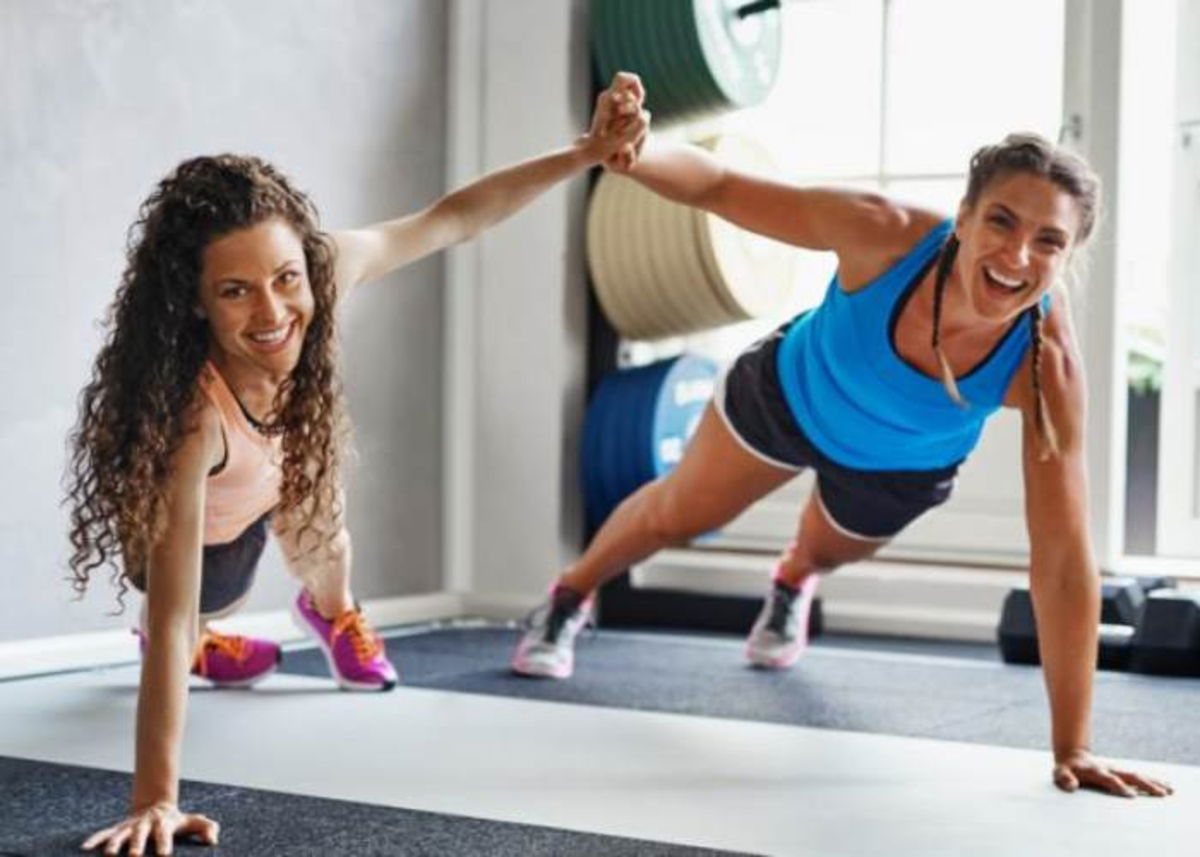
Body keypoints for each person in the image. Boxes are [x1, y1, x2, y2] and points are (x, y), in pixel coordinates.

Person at [512, 76, 1173, 800]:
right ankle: (569, 595)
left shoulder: (1048, 367)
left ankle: (793, 579)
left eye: (1048, 241)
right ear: (963, 218)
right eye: (1002, 222)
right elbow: (722, 187)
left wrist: (1074, 745)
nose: (1017, 255)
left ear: (1068, 257)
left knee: (830, 550)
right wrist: (634, 151)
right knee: (678, 514)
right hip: (787, 395)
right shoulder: (883, 232)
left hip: (899, 464)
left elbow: (1062, 556)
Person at [67, 76, 648, 856]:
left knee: (329, 544)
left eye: (284, 279)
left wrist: (585, 153)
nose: (273, 312)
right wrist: (156, 801)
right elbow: (172, 611)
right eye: (235, 291)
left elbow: (451, 218)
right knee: (196, 614)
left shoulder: (325, 268)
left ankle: (333, 613)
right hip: (205, 530)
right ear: (197, 301)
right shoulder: (189, 421)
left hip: (279, 470)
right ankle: (214, 640)